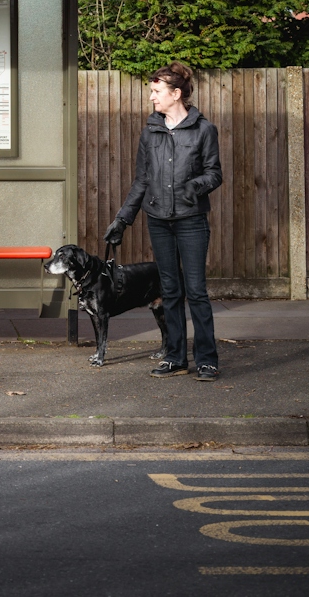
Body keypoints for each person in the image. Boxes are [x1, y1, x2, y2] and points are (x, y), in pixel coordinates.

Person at [103, 62, 223, 382]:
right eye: (152, 92)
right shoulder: (150, 133)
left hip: (191, 221)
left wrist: (193, 187)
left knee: (195, 291)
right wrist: (122, 220)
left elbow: (214, 174)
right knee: (170, 291)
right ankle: (175, 358)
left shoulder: (203, 131)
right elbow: (142, 181)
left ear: (176, 93)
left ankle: (207, 359)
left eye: (156, 92)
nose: (152, 98)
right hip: (158, 221)